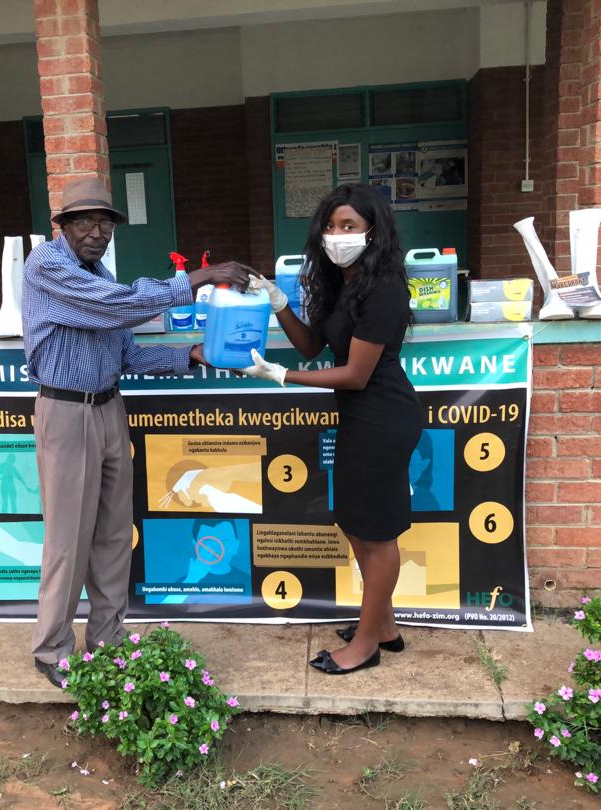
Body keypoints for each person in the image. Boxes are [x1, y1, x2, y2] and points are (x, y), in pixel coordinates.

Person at [22, 176, 251, 687]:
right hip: (67, 412)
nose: (97, 232)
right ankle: (52, 649)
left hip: (109, 407)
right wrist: (200, 277)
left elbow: (128, 353)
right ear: (63, 225)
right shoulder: (47, 265)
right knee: (68, 537)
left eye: (105, 223)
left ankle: (108, 638)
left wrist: (190, 355)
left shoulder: (99, 272)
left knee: (111, 533)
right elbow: (117, 305)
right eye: (85, 222)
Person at [239, 183, 422, 675]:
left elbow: (356, 374)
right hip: (360, 418)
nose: (337, 235)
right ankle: (384, 627)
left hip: (384, 417)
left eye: (349, 226)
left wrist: (282, 377)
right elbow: (310, 346)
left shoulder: (384, 287)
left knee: (377, 534)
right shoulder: (341, 283)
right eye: (331, 226)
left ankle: (365, 645)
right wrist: (278, 301)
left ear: (372, 231)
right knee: (356, 524)